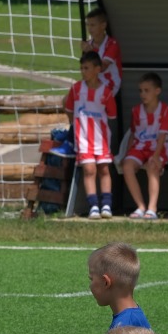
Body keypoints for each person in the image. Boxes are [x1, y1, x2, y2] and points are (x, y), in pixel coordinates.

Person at [65, 51, 118, 219]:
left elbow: (112, 115)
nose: (83, 71)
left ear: (97, 69)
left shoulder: (106, 91)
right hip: (83, 138)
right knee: (89, 169)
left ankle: (107, 205)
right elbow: (68, 109)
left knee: (103, 169)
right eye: (81, 68)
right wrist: (75, 126)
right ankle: (93, 205)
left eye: (86, 68)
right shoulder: (76, 89)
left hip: (101, 138)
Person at [122, 72, 168, 221]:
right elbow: (133, 133)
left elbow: (163, 135)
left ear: (157, 91)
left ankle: (152, 208)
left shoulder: (165, 110)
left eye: (146, 90)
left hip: (159, 148)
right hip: (140, 147)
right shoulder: (136, 110)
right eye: (140, 91)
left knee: (152, 165)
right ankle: (140, 206)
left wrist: (156, 156)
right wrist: (126, 154)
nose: (143, 94)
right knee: (127, 166)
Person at [80, 7, 122, 96]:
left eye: (93, 25)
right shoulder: (88, 44)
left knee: (91, 99)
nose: (90, 29)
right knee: (68, 100)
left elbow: (102, 68)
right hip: (93, 82)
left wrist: (92, 52)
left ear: (103, 25)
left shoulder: (112, 44)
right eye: (88, 25)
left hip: (109, 84)